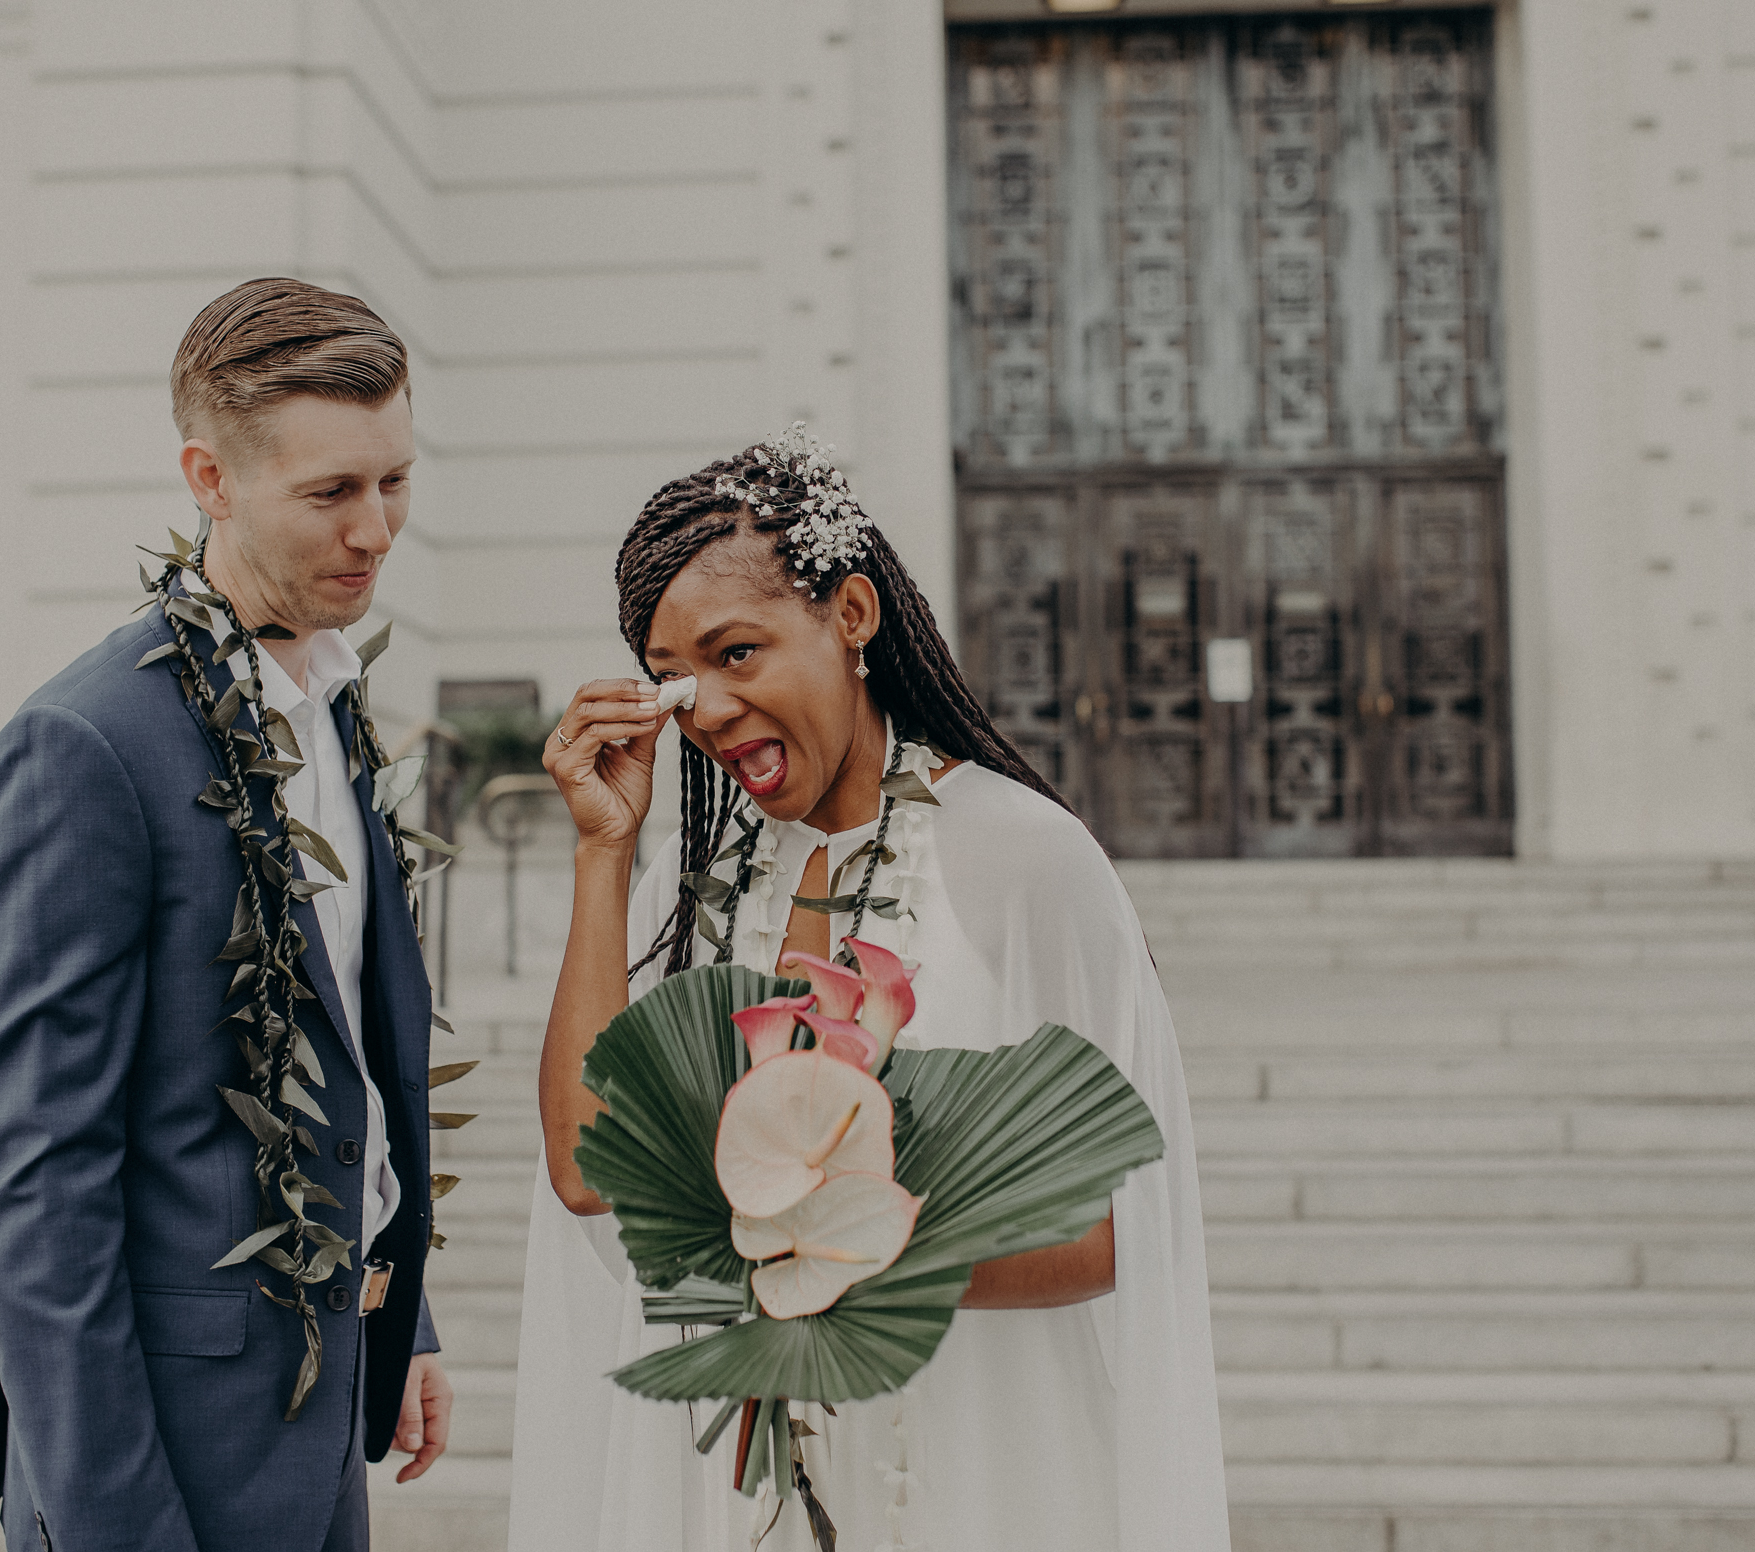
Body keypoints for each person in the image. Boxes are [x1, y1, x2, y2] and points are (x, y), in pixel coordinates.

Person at [509, 428, 1229, 1552]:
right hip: (727, 1476)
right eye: (674, 679)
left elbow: (1112, 1230)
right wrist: (604, 853)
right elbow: (585, 1167)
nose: (701, 709)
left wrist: (824, 1248)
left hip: (965, 1465)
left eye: (737, 653)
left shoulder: (1022, 858)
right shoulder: (692, 876)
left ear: (851, 614)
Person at [0, 278, 452, 1552]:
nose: (377, 528)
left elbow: (342, 1067)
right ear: (210, 479)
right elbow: (32, 1182)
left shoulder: (337, 708)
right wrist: (121, 1524)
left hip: (322, 1418)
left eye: (393, 480)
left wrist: (400, 1322)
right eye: (331, 493)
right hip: (168, 1460)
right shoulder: (84, 746)